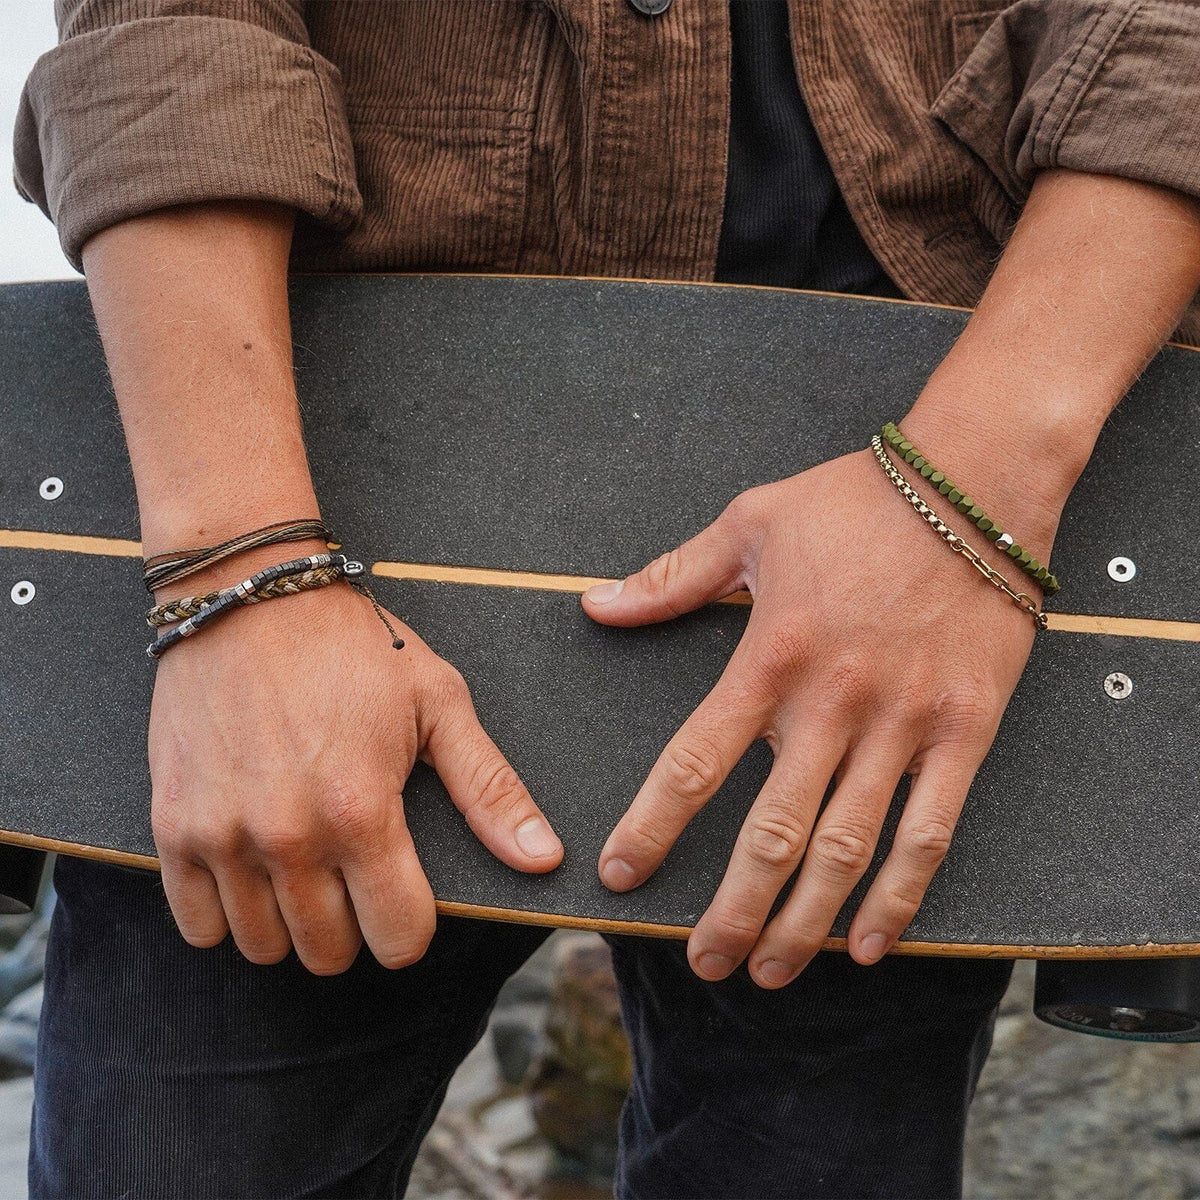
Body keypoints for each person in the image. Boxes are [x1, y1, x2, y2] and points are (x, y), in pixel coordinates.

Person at [12, 1, 1200, 1196]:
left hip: (909, 501)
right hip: (295, 452)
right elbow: (175, 27)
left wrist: (975, 484)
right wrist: (236, 568)